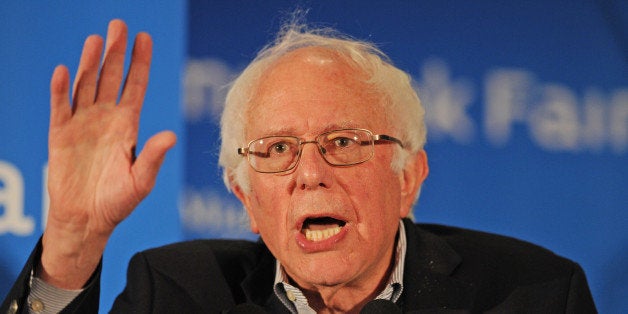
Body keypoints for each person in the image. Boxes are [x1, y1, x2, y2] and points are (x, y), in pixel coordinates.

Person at [2, 19, 596, 314]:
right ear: (245, 199)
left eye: (343, 141)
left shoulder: (534, 293)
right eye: (278, 149)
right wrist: (72, 249)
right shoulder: (179, 292)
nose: (310, 172)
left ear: (409, 178)